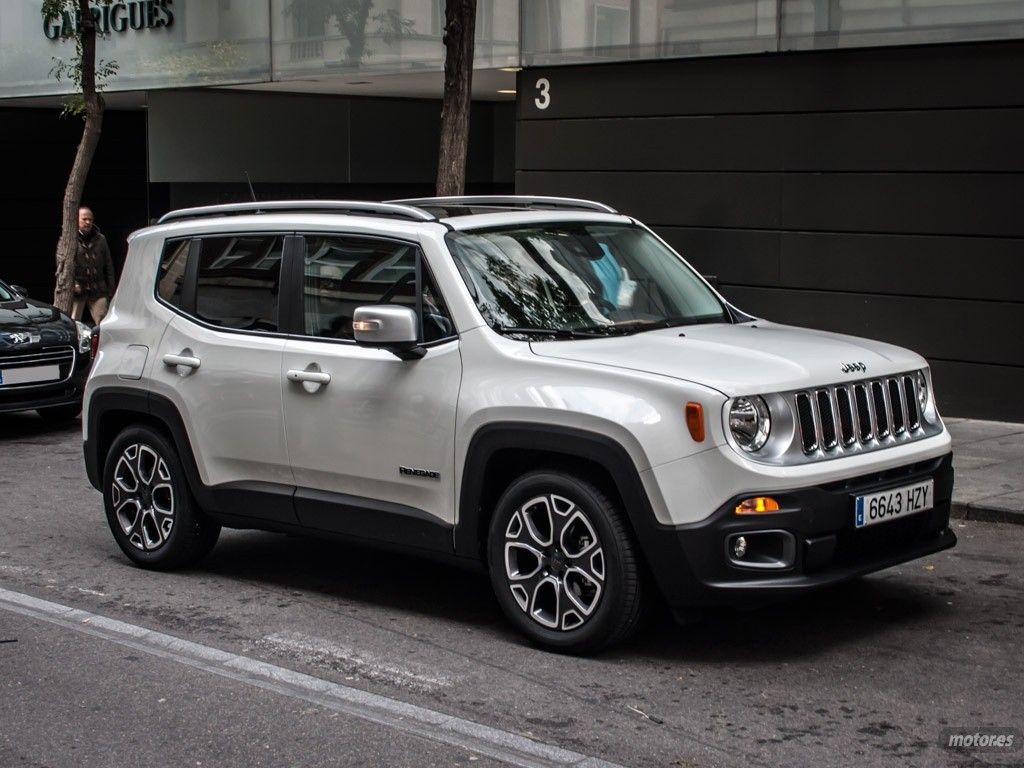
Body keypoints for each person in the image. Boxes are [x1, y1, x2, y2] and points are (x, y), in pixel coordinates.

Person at [71, 206, 116, 325]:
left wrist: (111, 288)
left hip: (98, 288)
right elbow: (63, 266)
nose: (88, 222)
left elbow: (108, 264)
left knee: (103, 323)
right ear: (76, 220)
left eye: (90, 219)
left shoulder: (100, 239)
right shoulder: (70, 239)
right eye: (84, 219)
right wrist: (72, 284)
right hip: (78, 289)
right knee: (74, 322)